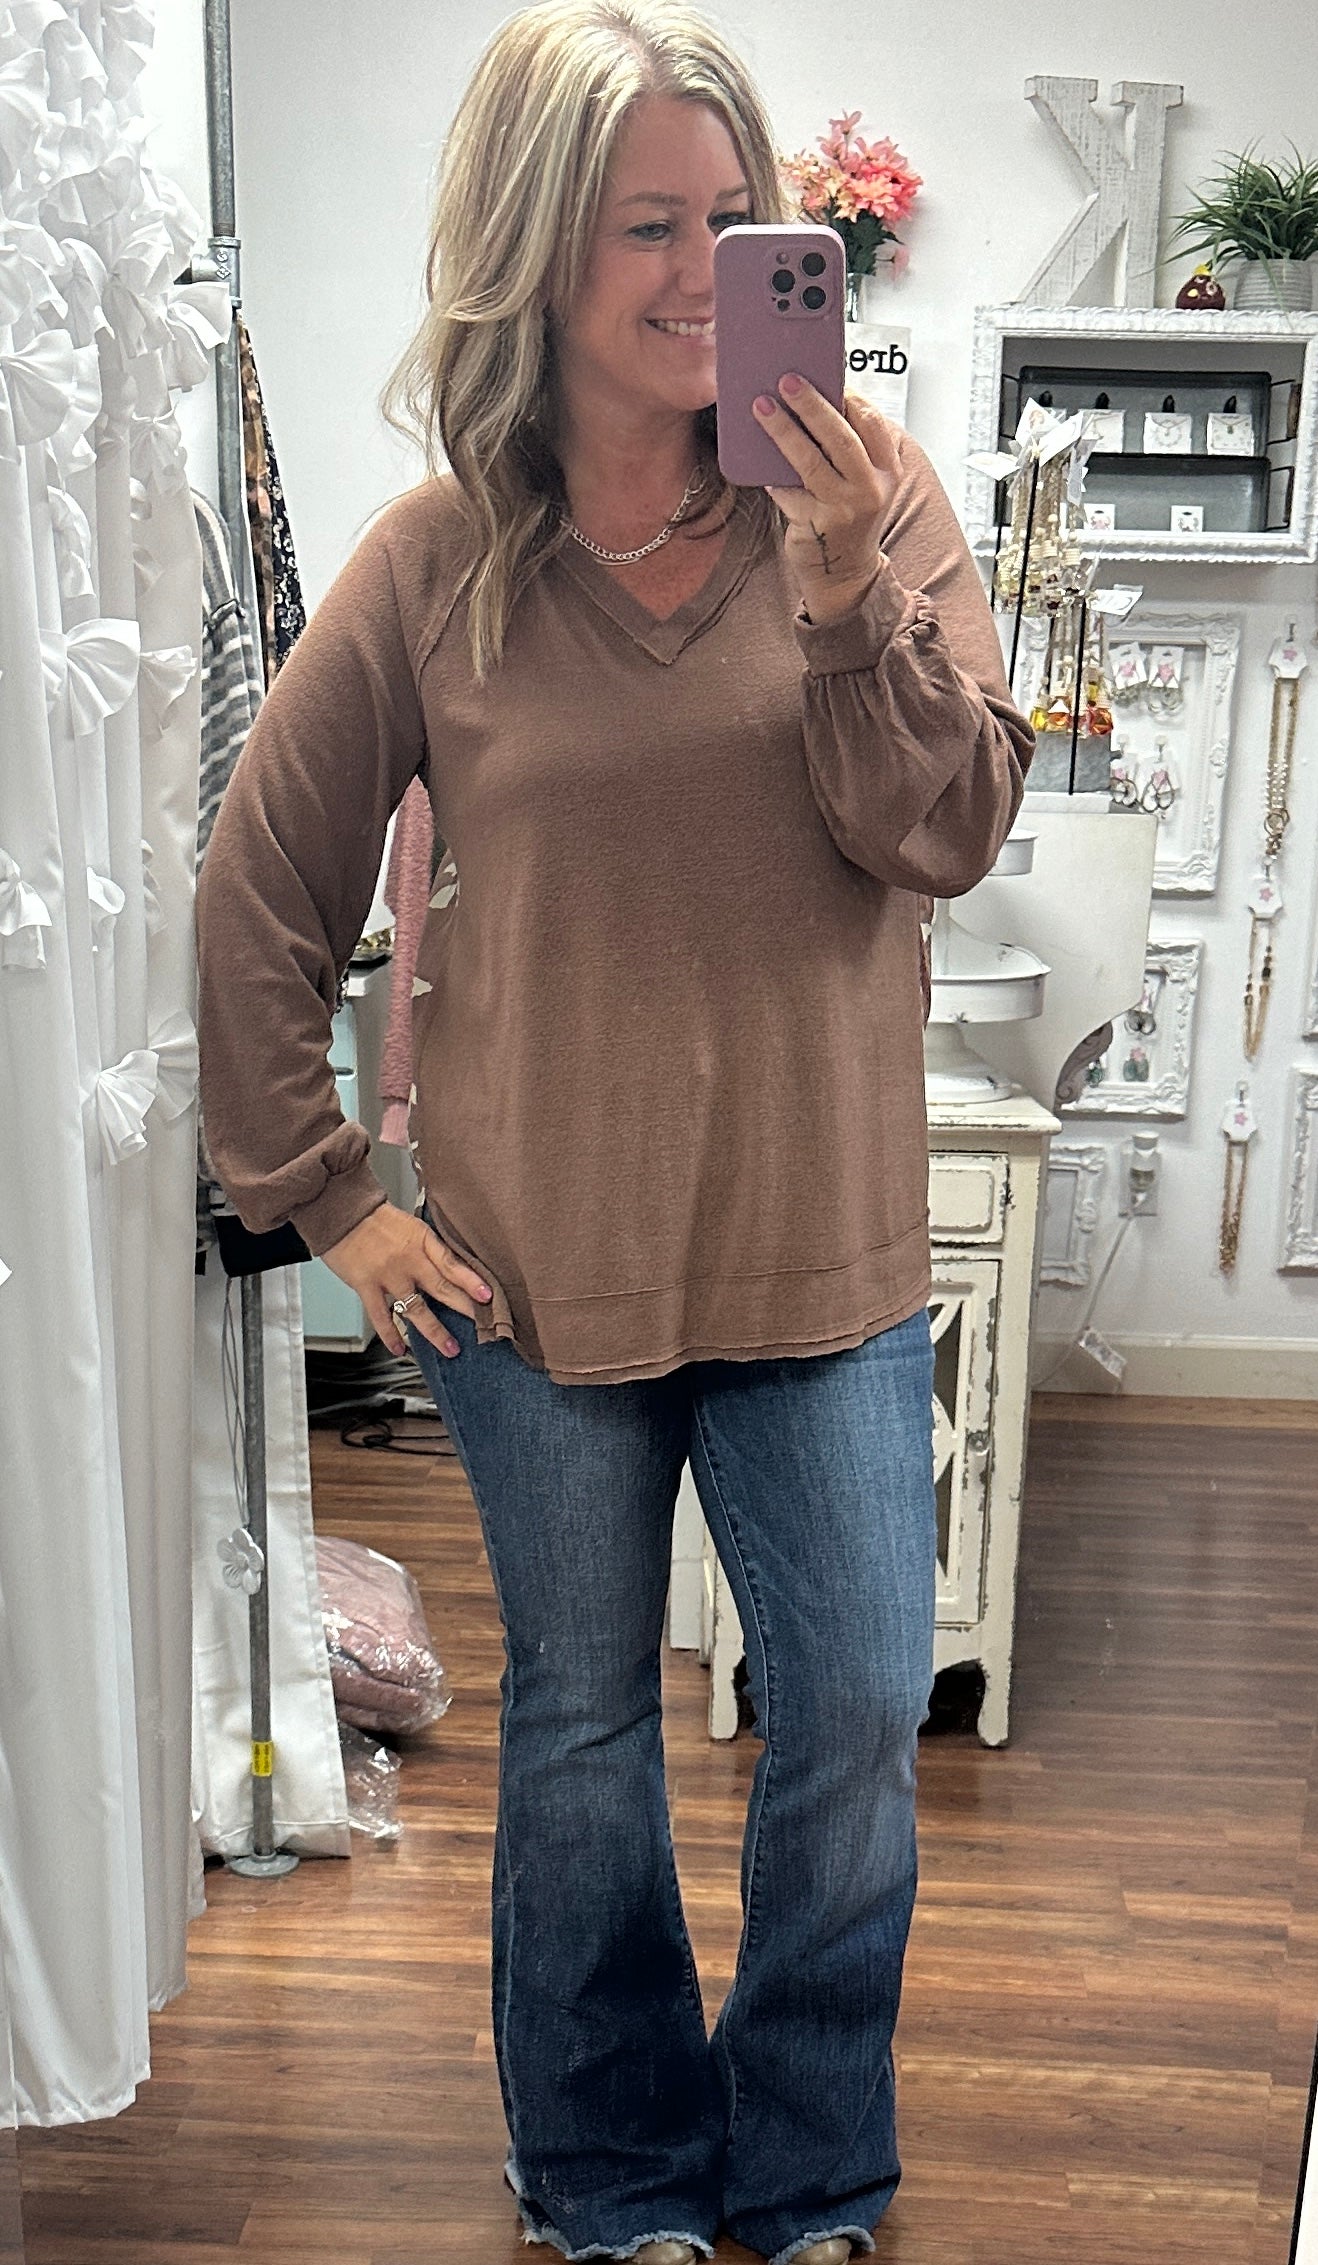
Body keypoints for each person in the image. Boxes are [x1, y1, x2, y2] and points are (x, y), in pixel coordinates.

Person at [195, 2, 1033, 2258]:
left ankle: (806, 2162)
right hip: (531, 1268)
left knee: (849, 1708)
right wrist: (328, 1198)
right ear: (535, 249)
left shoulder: (872, 504)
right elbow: (258, 895)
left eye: (730, 222)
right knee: (581, 1734)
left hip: (821, 1252)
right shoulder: (437, 561)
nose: (697, 273)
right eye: (643, 224)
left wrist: (847, 599)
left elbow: (943, 828)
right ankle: (608, 2168)